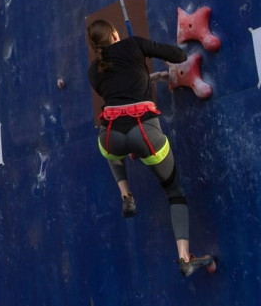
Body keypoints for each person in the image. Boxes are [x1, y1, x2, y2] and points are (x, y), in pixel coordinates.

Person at [86, 19, 214, 277]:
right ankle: (184, 258)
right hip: (144, 131)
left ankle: (126, 195)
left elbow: (121, 86)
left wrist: (144, 74)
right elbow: (177, 55)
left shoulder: (93, 71)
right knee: (174, 192)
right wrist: (141, 52)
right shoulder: (133, 45)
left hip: (111, 137)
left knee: (110, 140)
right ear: (114, 33)